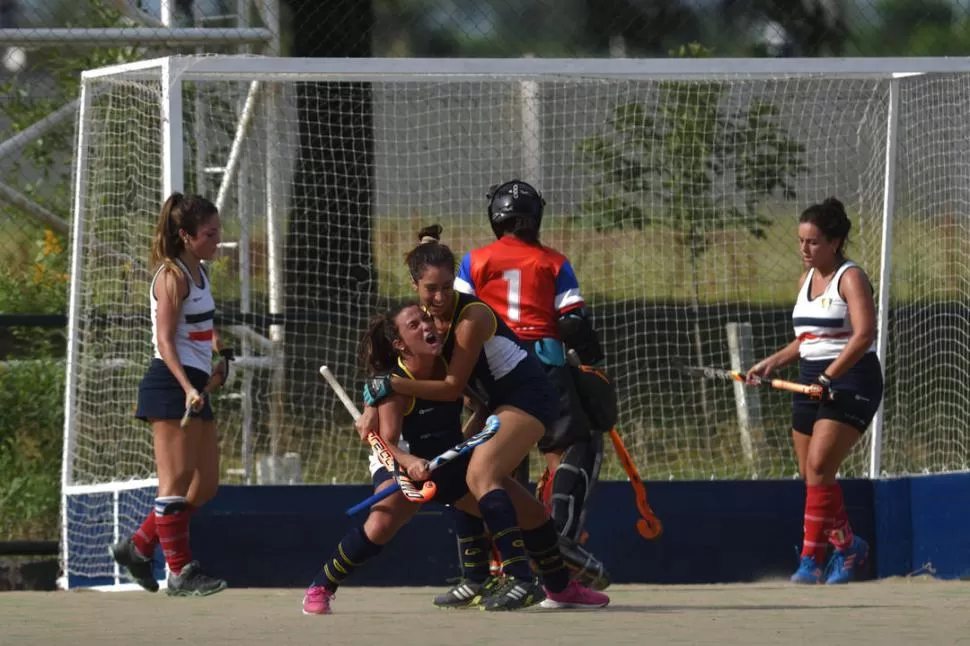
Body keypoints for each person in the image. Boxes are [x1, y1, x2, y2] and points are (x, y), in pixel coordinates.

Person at [355, 229, 610, 611]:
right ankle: (559, 586)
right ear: (415, 286)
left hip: (528, 398)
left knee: (479, 476)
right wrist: (371, 405)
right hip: (494, 404)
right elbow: (404, 368)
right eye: (430, 289)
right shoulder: (426, 322)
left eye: (445, 287)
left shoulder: (470, 316)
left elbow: (451, 385)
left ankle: (522, 580)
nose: (438, 298)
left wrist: (386, 384)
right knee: (522, 506)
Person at [304, 303, 609, 614]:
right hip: (399, 462)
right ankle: (320, 587)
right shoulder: (396, 386)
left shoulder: (450, 368)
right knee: (381, 523)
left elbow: (476, 405)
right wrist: (409, 463)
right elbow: (386, 443)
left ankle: (560, 589)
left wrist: (472, 429)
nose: (426, 326)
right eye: (414, 325)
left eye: (426, 319)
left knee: (533, 513)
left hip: (445, 462)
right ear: (399, 344)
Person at [434, 179, 612, 605]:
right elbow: (571, 321)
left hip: (490, 372)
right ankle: (560, 548)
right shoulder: (553, 261)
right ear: (536, 218)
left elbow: (456, 317)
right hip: (543, 369)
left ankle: (490, 571)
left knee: (495, 472)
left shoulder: (475, 260)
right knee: (572, 451)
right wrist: (588, 346)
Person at [746, 197, 882, 585]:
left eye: (813, 242)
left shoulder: (850, 277)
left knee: (821, 467)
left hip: (851, 380)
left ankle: (811, 560)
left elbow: (864, 335)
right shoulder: (805, 280)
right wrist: (772, 361)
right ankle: (849, 547)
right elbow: (807, 339)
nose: (804, 250)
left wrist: (828, 377)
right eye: (801, 241)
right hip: (809, 380)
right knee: (812, 476)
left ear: (836, 242)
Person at [109, 192, 231, 597]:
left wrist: (218, 352)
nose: (217, 240)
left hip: (195, 384)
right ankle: (178, 572)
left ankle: (139, 546)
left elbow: (198, 326)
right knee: (175, 479)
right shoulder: (171, 276)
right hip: (170, 383)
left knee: (207, 485)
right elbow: (165, 341)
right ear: (186, 235)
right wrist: (187, 388)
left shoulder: (200, 272)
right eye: (210, 234)